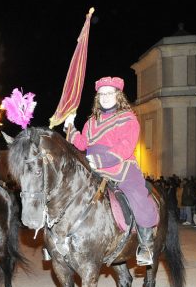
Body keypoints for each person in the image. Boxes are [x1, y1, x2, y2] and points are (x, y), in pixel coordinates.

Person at [64, 76, 158, 266]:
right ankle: (61, 241)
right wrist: (70, 128)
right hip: (92, 165)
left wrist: (101, 159)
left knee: (138, 194)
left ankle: (146, 245)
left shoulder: (128, 119)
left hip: (121, 167)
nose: (105, 97)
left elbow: (125, 147)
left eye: (109, 93)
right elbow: (83, 143)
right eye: (101, 94)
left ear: (118, 95)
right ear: (97, 97)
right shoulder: (91, 122)